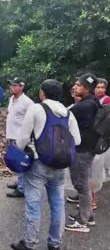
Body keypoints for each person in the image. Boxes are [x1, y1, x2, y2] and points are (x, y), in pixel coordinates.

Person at [11, 79, 81, 250]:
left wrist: (18, 150)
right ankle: (55, 243)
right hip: (60, 165)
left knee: (33, 204)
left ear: (43, 93)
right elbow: (77, 140)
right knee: (58, 204)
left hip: (38, 164)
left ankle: (30, 243)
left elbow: (22, 139)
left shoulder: (36, 108)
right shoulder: (68, 113)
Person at [65, 73, 100, 233]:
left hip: (82, 150)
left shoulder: (84, 106)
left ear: (86, 89)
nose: (75, 87)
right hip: (88, 149)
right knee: (83, 183)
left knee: (82, 185)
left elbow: (65, 116)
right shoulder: (93, 102)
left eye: (78, 85)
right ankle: (88, 215)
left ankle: (83, 221)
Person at [6, 77, 34, 198]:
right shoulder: (11, 99)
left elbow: (32, 119)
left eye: (15, 85)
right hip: (11, 134)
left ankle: (21, 188)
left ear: (21, 87)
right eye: (11, 85)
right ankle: (19, 182)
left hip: (20, 136)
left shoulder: (27, 102)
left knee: (20, 161)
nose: (12, 87)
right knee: (15, 161)